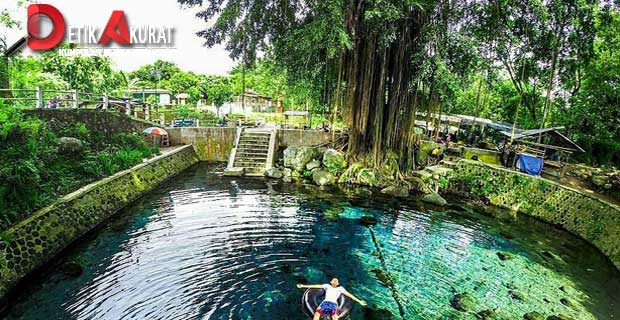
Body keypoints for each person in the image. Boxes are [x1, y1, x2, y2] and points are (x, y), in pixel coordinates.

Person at [297, 278, 366, 320]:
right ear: (331, 282)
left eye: (336, 281)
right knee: (317, 314)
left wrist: (359, 301)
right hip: (325, 303)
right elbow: (316, 286)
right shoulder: (327, 286)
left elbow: (349, 295)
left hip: (333, 304)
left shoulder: (340, 288)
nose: (335, 281)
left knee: (335, 317)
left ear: (338, 283)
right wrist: (303, 286)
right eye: (334, 280)